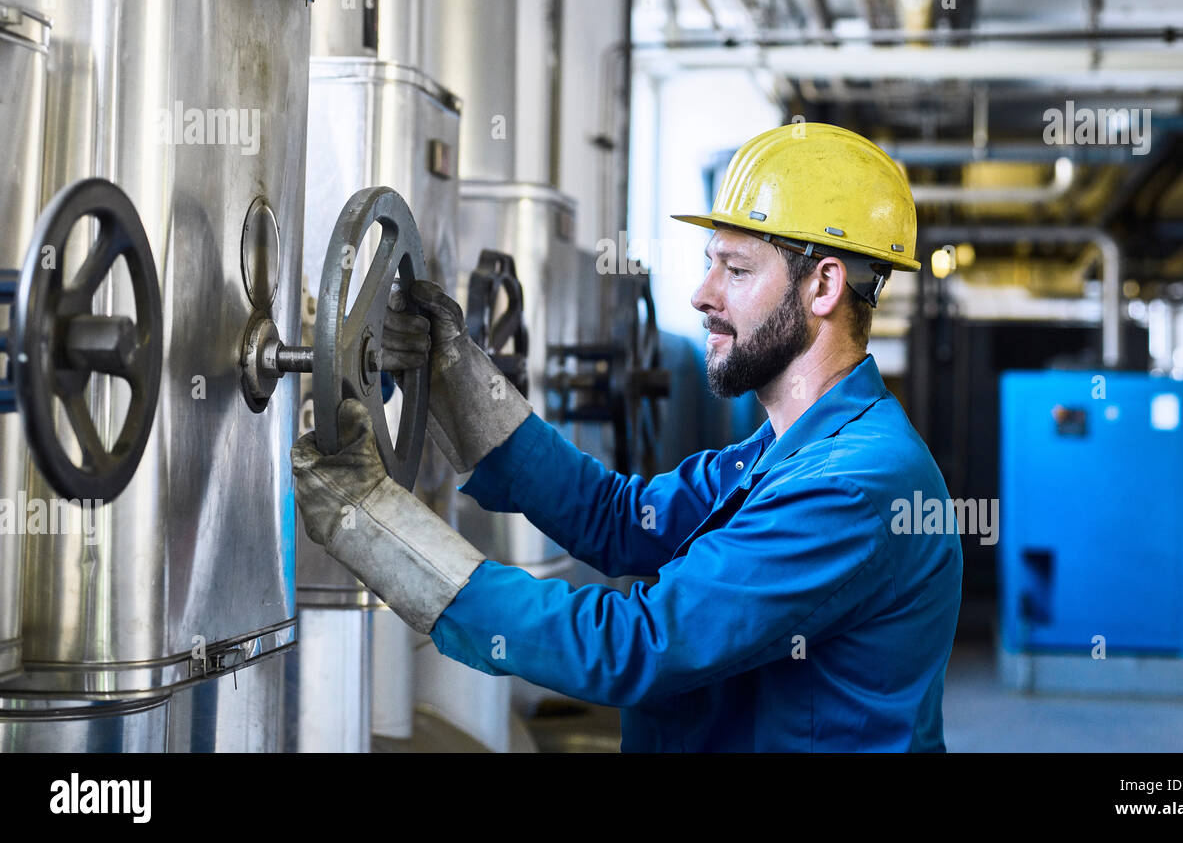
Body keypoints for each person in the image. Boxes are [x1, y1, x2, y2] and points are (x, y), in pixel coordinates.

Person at [291, 122, 963, 752]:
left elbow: (635, 646)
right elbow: (617, 517)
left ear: (823, 285)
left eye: (735, 270)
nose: (701, 295)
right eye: (710, 265)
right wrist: (457, 382)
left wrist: (373, 524)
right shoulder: (782, 451)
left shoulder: (851, 486)